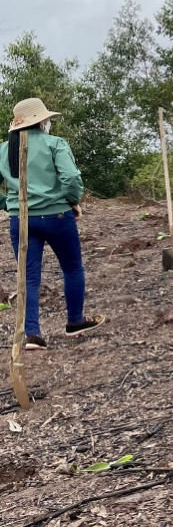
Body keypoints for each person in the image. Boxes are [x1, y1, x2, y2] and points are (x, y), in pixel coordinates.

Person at [0, 98, 105, 351]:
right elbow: (71, 177)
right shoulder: (54, 143)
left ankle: (32, 334)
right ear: (42, 122)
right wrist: (72, 201)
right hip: (57, 215)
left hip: (21, 218)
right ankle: (75, 322)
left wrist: (7, 204)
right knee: (71, 267)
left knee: (29, 276)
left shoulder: (4, 149)